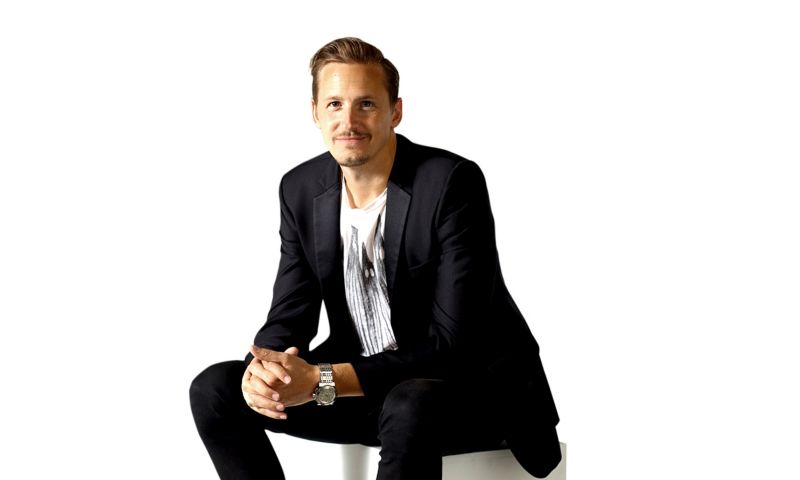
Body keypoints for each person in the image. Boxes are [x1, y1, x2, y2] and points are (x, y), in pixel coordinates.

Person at [190, 37, 561, 479]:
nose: (348, 121)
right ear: (315, 113)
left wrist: (323, 380)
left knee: (411, 400)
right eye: (334, 104)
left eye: (365, 104)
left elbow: (450, 347)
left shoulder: (450, 183)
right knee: (216, 388)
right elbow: (290, 312)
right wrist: (265, 370)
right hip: (359, 390)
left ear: (395, 112)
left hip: (466, 393)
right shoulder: (300, 189)